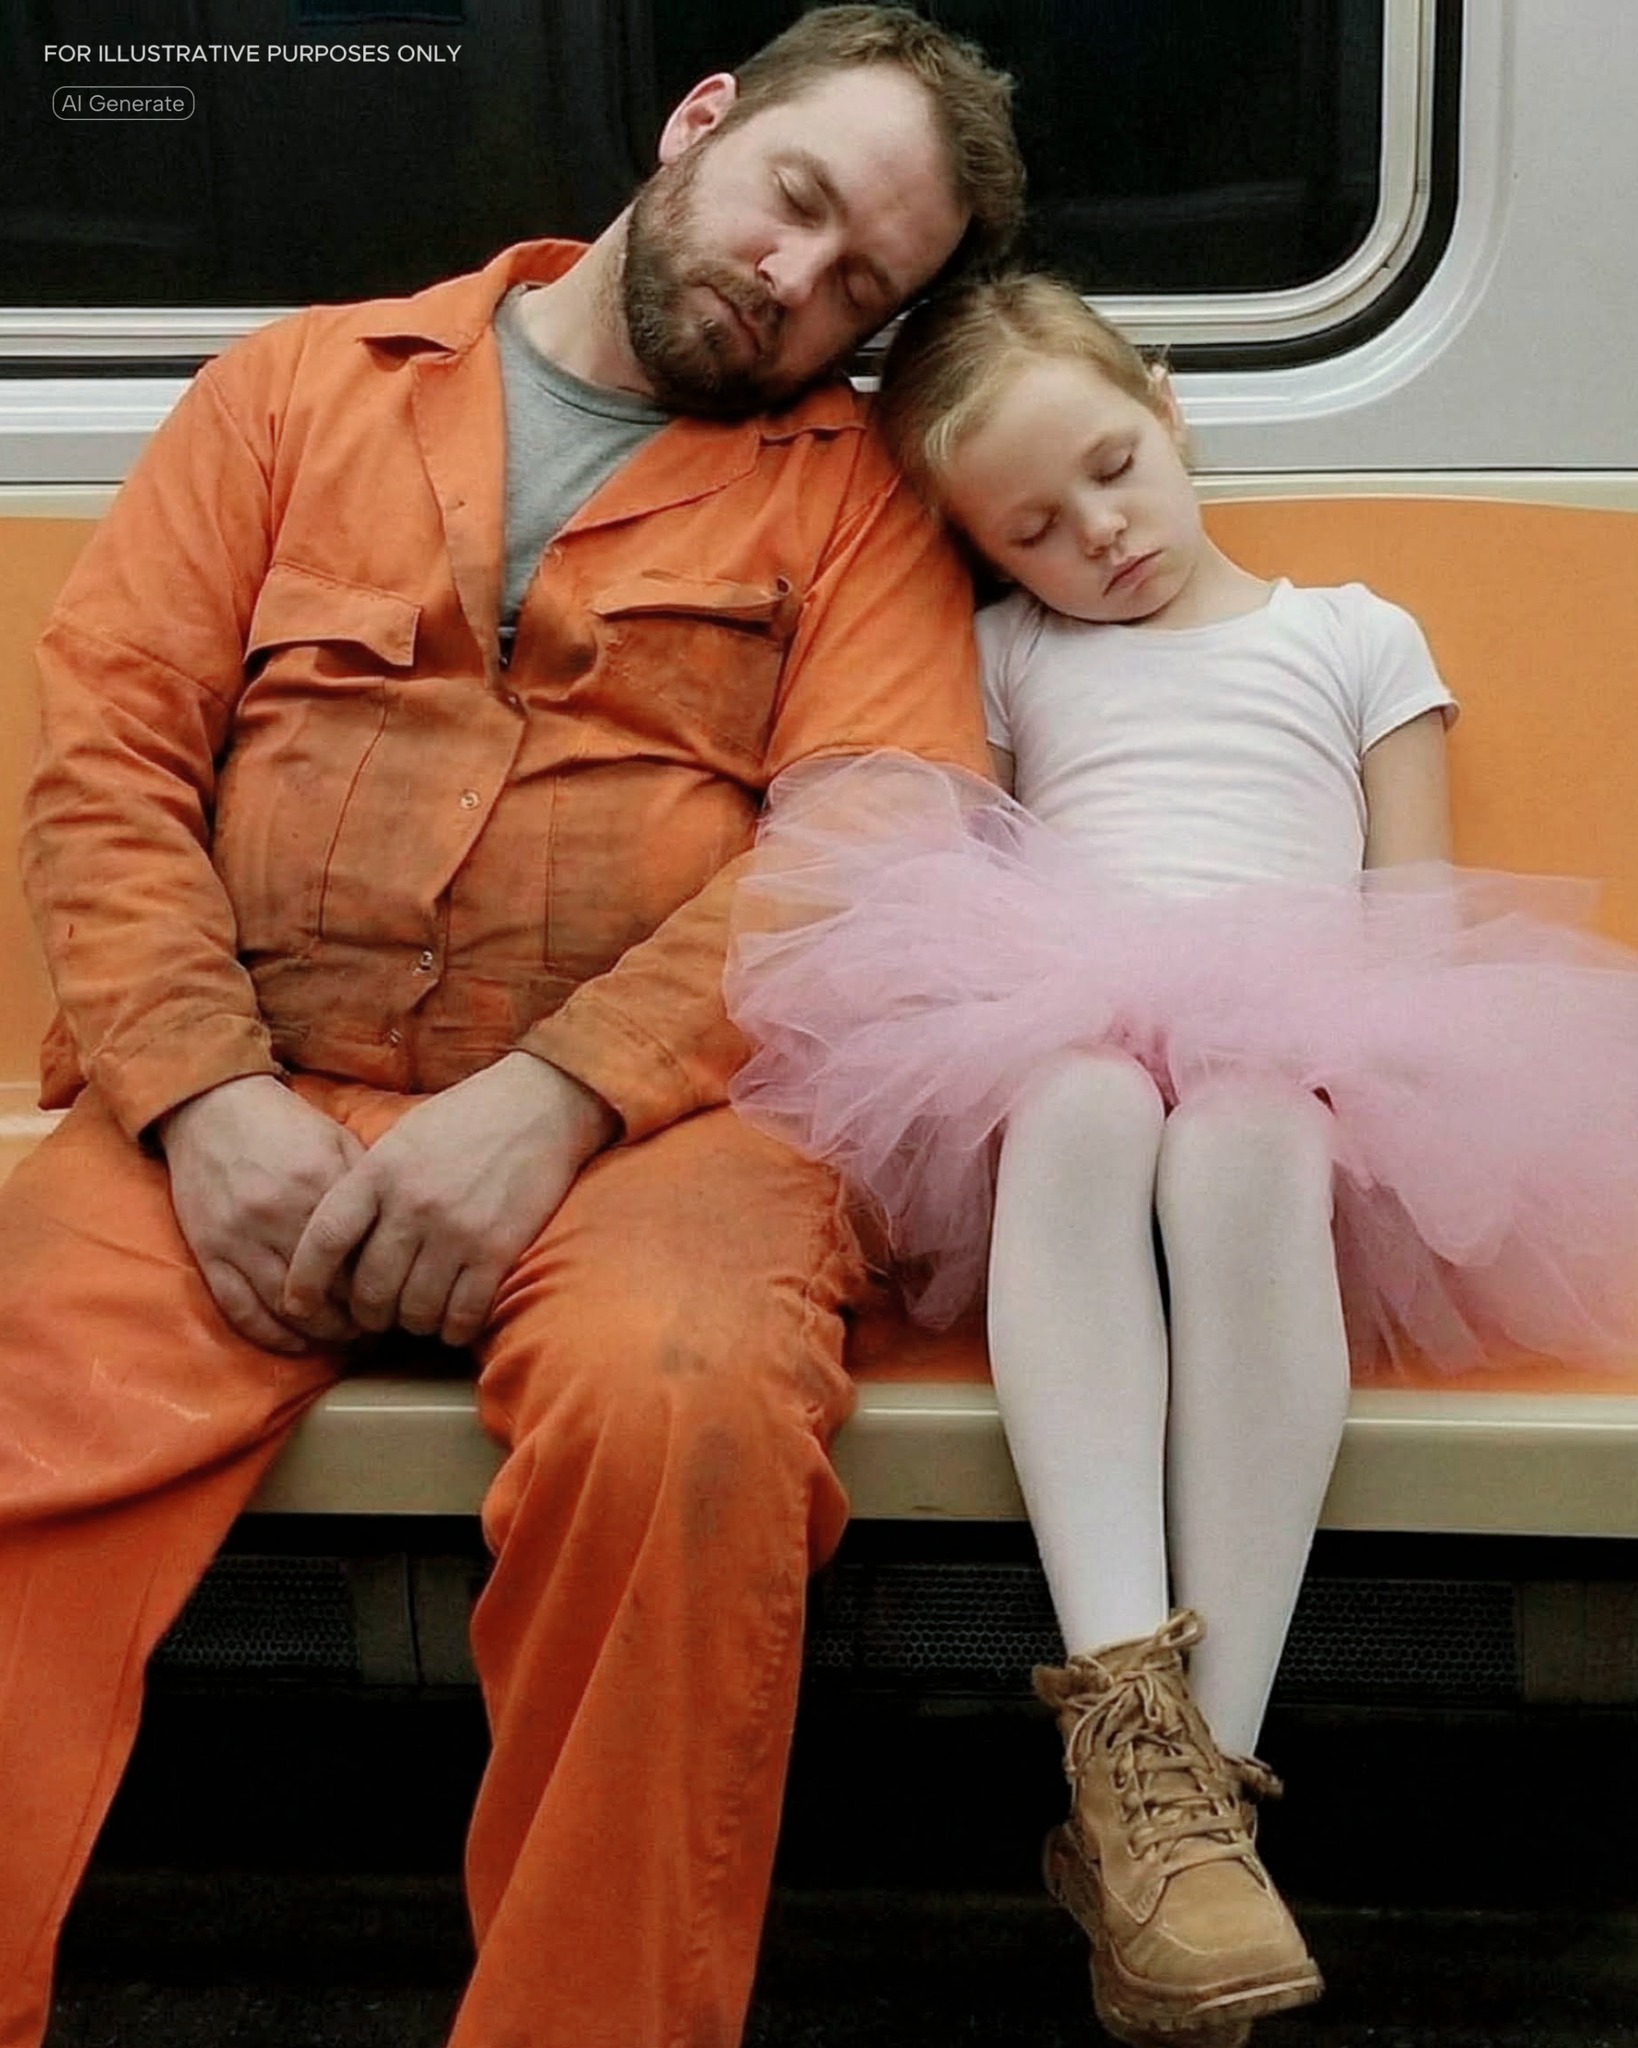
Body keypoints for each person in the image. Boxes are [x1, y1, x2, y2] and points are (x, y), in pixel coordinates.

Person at [0, 13, 1025, 2044]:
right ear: (701, 119)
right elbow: (106, 758)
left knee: (685, 1411)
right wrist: (198, 1093)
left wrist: (554, 1100)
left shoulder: (857, 500)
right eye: (798, 204)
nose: (798, 286)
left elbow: (869, 849)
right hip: (240, 1078)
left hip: (661, 1132)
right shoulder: (300, 385)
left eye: (863, 289)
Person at [726, 274, 1638, 2046]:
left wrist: (1318, 1045)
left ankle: (1190, 1789)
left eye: (1114, 468)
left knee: (1233, 1135)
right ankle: (1144, 1763)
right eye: (1034, 529)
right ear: (985, 554)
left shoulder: (1354, 633)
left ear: (1163, 402)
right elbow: (970, 853)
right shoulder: (1012, 656)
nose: (1102, 537)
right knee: (1079, 1100)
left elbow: (1412, 918)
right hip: (1060, 1019)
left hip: (1303, 1049)